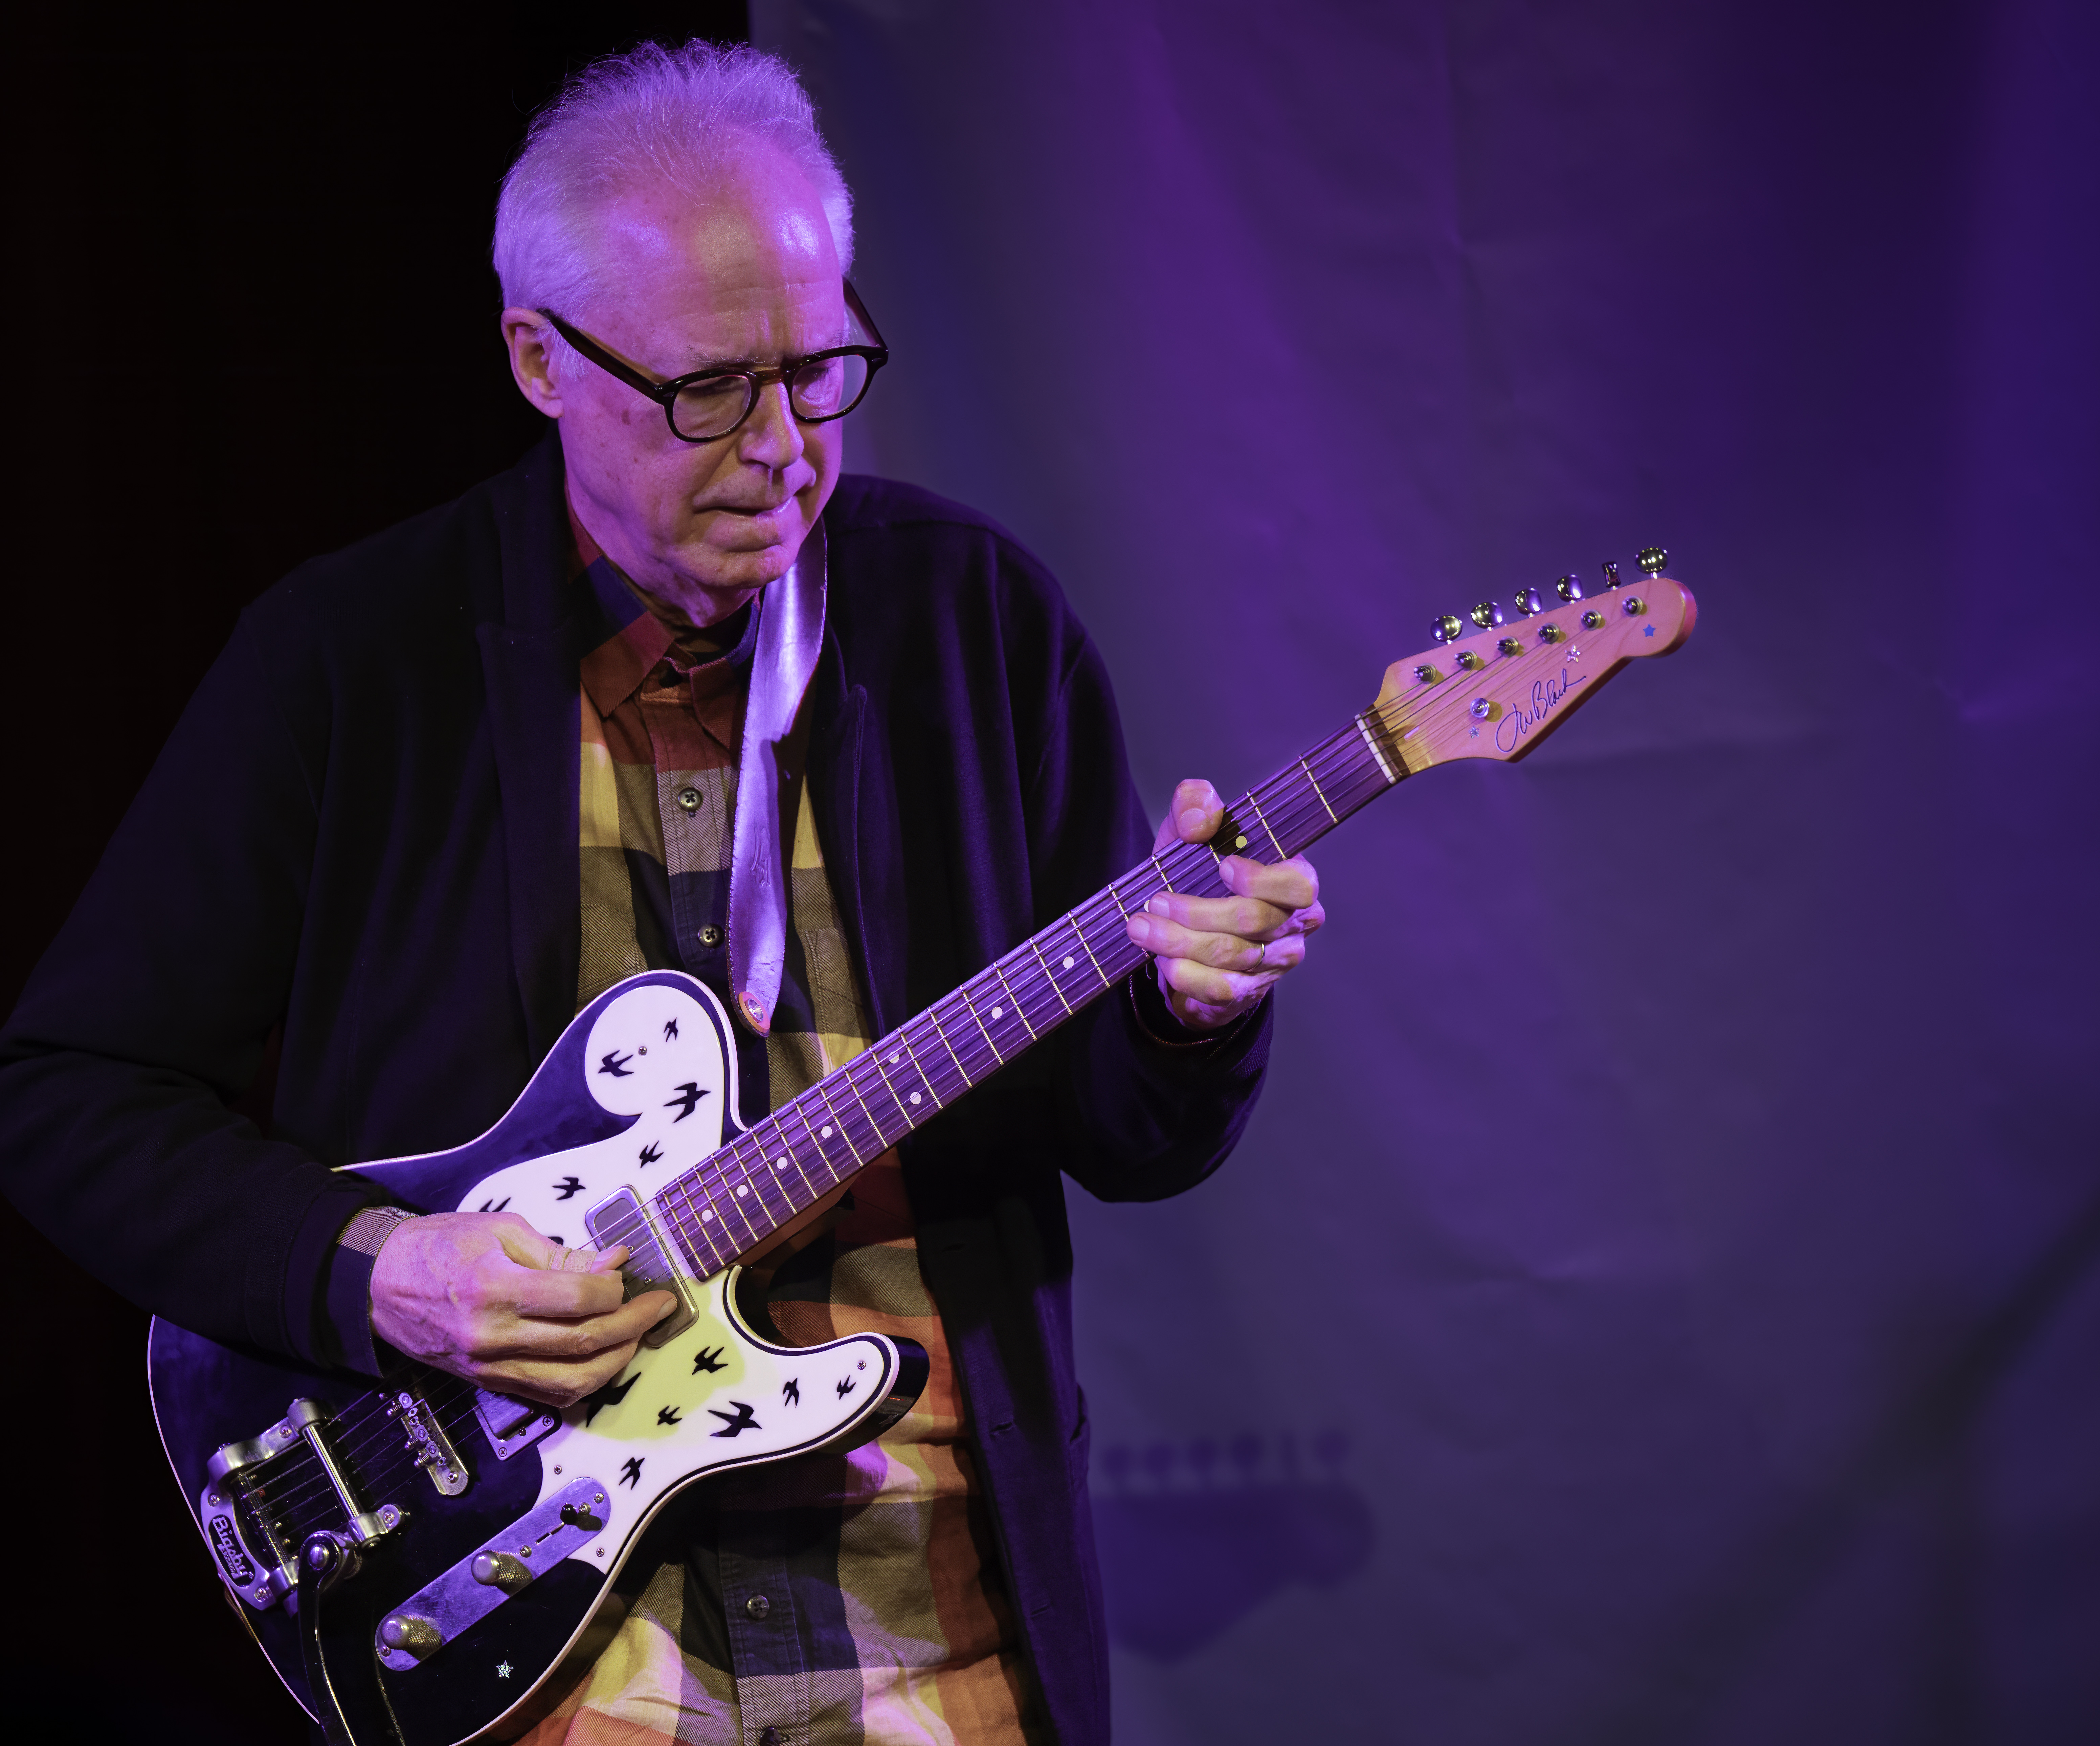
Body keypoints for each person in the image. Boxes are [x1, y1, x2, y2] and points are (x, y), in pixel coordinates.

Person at [0, 40, 1323, 1746]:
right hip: (545, 1653)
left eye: (817, 372)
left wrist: (1186, 1012)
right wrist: (379, 1269)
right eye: (708, 391)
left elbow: (1129, 1140)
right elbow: (67, 1097)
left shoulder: (973, 625)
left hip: (928, 1632)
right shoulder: (349, 661)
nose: (781, 449)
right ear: (537, 360)